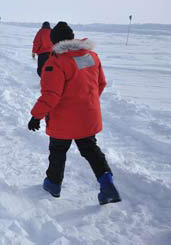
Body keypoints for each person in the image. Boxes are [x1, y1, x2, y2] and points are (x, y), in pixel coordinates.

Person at [27, 21, 121, 205]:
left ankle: (53, 184)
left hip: (64, 120)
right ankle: (106, 182)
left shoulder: (55, 63)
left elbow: (51, 96)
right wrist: (86, 102)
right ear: (72, 37)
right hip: (88, 117)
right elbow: (100, 84)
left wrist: (36, 116)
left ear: (54, 42)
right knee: (91, 150)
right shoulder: (91, 56)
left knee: (58, 151)